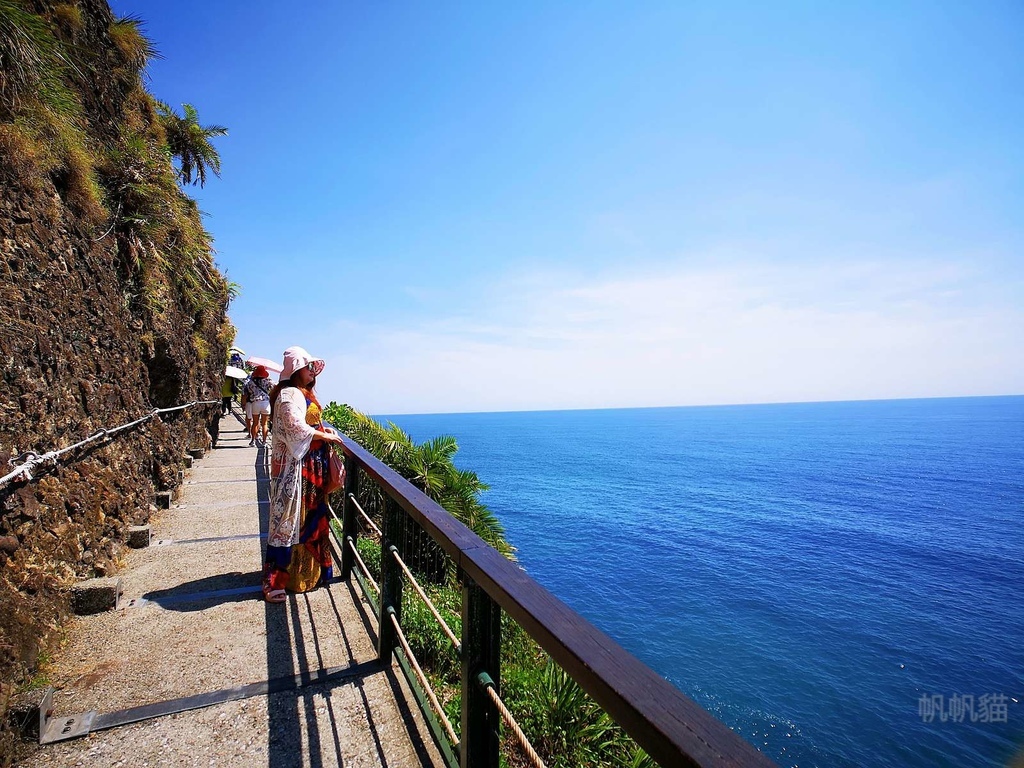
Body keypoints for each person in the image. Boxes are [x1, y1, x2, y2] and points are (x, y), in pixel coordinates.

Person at [263, 346, 343, 603]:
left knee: (307, 520)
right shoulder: (288, 395)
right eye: (308, 367)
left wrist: (322, 435)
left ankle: (310, 574)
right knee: (289, 521)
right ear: (297, 369)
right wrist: (325, 435)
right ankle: (278, 580)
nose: (312, 372)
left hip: (309, 467)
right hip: (296, 469)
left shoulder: (300, 393)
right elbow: (295, 428)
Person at [243, 366, 273, 446]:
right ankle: (264, 442)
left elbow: (247, 392)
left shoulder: (250, 382)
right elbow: (272, 389)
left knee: (255, 423)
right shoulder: (267, 381)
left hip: (255, 402)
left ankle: (253, 440)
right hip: (266, 403)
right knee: (264, 424)